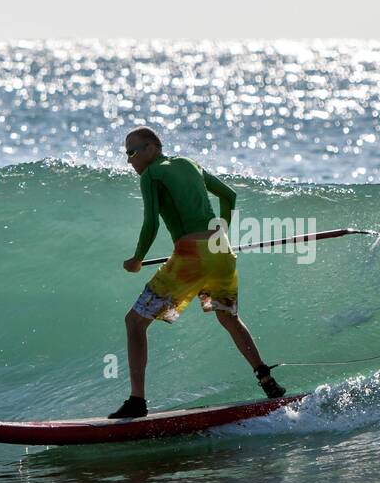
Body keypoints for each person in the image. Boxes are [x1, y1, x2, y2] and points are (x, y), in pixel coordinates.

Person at [109, 127, 285, 419]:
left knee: (135, 323)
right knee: (227, 317)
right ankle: (267, 380)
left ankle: (137, 402)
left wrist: (137, 259)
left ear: (153, 147)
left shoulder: (152, 175)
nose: (129, 160)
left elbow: (151, 223)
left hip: (192, 256)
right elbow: (229, 195)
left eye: (132, 152)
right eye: (126, 154)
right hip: (221, 253)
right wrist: (221, 233)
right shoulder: (190, 164)